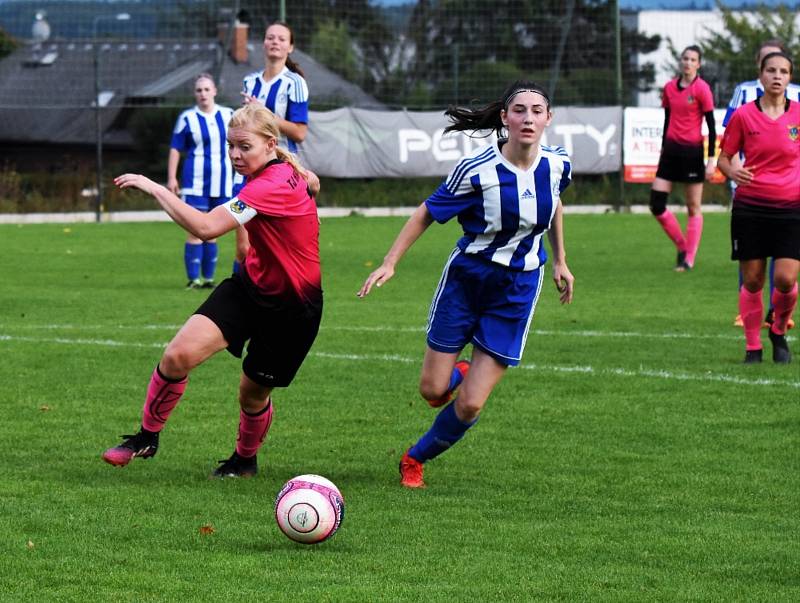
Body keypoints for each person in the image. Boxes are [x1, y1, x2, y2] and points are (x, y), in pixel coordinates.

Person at [358, 81, 575, 488]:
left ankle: (414, 458)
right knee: (433, 391)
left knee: (472, 404)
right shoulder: (476, 170)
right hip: (466, 281)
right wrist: (390, 262)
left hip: (517, 289)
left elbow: (556, 201)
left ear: (549, 118)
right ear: (505, 117)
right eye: (519, 110)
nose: (528, 118)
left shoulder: (558, 164)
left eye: (537, 110)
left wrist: (561, 259)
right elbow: (426, 212)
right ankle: (455, 372)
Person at [102, 103, 323, 477]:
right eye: (230, 146)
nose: (235, 155)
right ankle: (145, 437)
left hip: (293, 307)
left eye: (244, 146)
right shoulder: (275, 170)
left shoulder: (269, 183)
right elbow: (311, 182)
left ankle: (244, 460)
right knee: (177, 356)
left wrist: (156, 188)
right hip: (249, 286)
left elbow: (205, 228)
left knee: (251, 394)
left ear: (270, 145)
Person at [717, 51, 799, 364]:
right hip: (751, 207)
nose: (778, 76)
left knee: (786, 280)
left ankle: (778, 329)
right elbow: (724, 158)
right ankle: (753, 347)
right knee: (752, 280)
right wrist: (732, 171)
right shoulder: (744, 116)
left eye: (784, 72)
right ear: (761, 75)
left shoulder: (799, 115)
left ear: (789, 78)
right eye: (772, 71)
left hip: (792, 207)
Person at [233, 21, 310, 273]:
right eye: (270, 37)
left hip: (281, 175)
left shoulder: (295, 83)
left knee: (279, 249)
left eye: (281, 38)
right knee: (244, 248)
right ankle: (240, 303)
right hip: (248, 172)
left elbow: (299, 133)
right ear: (263, 43)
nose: (275, 42)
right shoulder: (250, 81)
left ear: (291, 46)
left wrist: (264, 113)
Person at [650, 45, 717, 271]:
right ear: (681, 62)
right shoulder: (669, 88)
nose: (687, 62)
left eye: (692, 59)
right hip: (670, 152)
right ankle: (682, 245)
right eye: (685, 58)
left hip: (692, 153)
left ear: (698, 64)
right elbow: (667, 119)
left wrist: (711, 159)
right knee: (656, 204)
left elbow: (711, 126)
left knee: (692, 206)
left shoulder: (702, 89)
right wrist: (662, 149)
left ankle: (689, 259)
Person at [168, 73, 235, 289]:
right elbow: (176, 148)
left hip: (224, 181)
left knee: (214, 231)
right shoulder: (187, 118)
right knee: (195, 230)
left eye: (207, 89)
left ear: (215, 91)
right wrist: (171, 177)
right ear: (194, 94)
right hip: (195, 182)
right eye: (199, 90)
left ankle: (208, 279)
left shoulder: (229, 115)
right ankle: (193, 279)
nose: (203, 94)